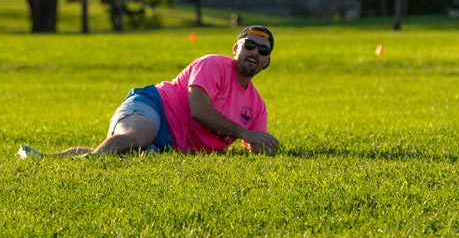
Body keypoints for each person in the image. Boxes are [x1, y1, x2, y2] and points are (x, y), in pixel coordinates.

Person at [18, 25, 280, 158]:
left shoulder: (256, 106)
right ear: (235, 49)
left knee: (124, 156)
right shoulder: (213, 64)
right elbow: (199, 110)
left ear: (267, 62)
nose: (255, 52)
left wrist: (268, 147)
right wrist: (246, 133)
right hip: (154, 106)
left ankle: (46, 159)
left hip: (172, 147)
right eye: (249, 45)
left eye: (263, 50)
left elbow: (259, 150)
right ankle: (90, 164)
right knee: (137, 135)